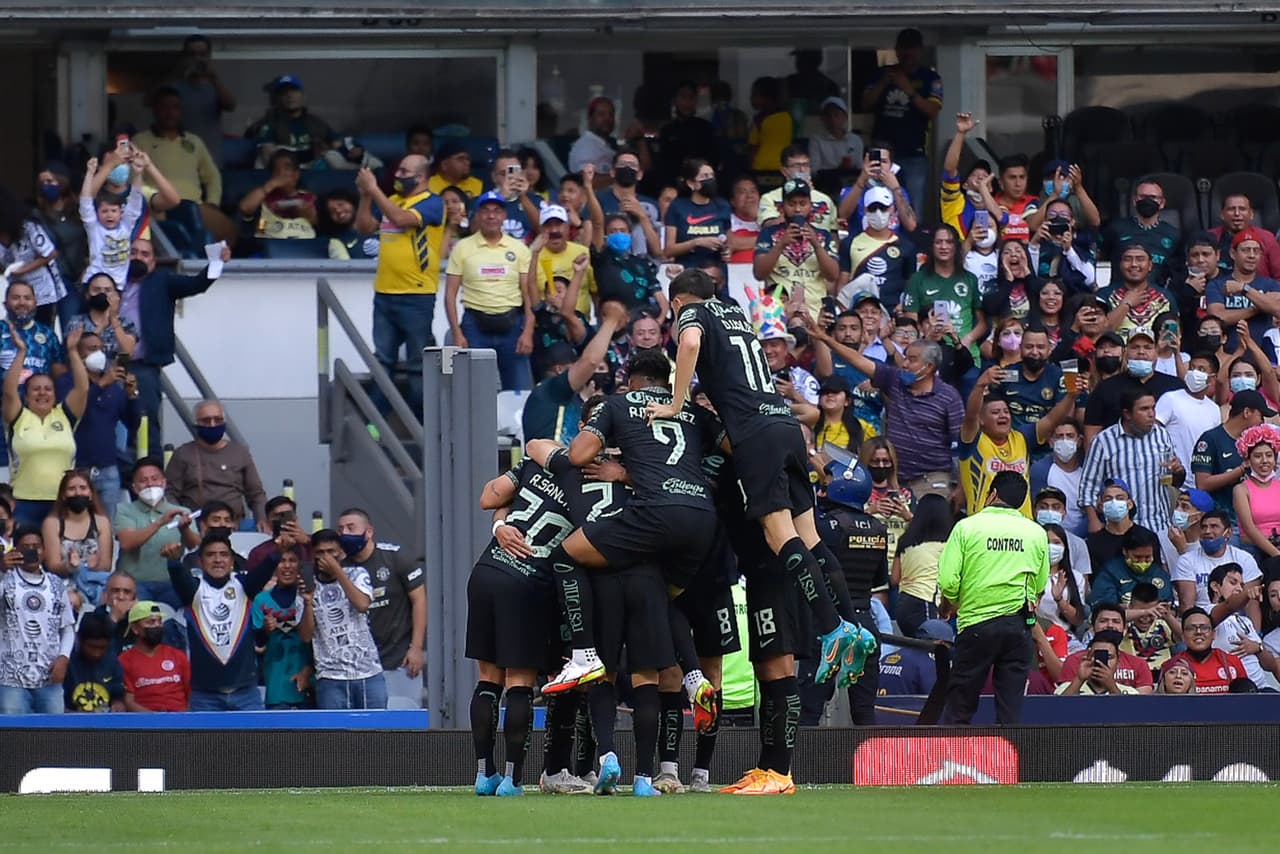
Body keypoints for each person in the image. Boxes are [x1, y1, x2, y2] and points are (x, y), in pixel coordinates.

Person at [649, 271, 870, 693]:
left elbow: (691, 343)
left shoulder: (691, 312)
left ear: (678, 303)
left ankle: (830, 630)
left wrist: (676, 404)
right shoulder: (736, 318)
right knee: (810, 537)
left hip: (755, 437)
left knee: (777, 533)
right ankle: (852, 625)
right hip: (785, 424)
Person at [937, 471, 1049, 724]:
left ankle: (954, 761)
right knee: (1010, 712)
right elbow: (1040, 584)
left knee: (960, 708)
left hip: (977, 624)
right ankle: (1009, 761)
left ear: (993, 494)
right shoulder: (1036, 532)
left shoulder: (966, 527)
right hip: (1018, 627)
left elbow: (947, 581)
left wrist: (953, 602)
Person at [809, 319, 964, 499]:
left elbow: (960, 445)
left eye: (912, 360)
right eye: (905, 357)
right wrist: (824, 338)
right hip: (893, 481)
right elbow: (858, 360)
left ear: (929, 367)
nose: (904, 364)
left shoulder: (949, 397)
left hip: (932, 481)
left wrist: (960, 486)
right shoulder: (895, 379)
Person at [352, 155, 443, 416]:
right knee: (381, 362)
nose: (398, 174)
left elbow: (403, 220)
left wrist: (374, 189)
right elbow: (365, 227)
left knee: (418, 366)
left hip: (417, 296)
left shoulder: (433, 203)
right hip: (384, 293)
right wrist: (366, 197)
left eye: (405, 171)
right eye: (398, 169)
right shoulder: (392, 200)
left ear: (421, 177)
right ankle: (376, 422)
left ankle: (423, 425)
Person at [119, 238, 228, 450]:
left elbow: (197, 284)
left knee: (145, 421)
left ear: (153, 262)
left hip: (142, 365)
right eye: (133, 252)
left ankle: (148, 476)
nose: (138, 257)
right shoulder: (112, 280)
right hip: (109, 364)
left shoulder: (162, 280)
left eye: (144, 254)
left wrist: (217, 262)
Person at [166, 529, 278, 711]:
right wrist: (173, 561)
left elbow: (265, 571)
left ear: (232, 561)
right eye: (211, 555)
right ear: (201, 562)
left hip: (246, 693)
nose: (218, 560)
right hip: (205, 696)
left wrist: (278, 552)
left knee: (257, 741)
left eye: (224, 555)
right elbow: (179, 576)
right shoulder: (194, 589)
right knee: (208, 741)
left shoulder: (243, 585)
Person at [958, 364, 1083, 517]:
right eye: (996, 412)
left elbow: (1052, 419)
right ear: (981, 419)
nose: (1003, 416)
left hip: (1022, 526)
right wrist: (980, 385)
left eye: (1006, 411)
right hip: (984, 525)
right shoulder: (973, 440)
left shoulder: (1021, 437)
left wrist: (1071, 396)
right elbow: (971, 416)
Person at [334, 509, 424, 709]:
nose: (344, 534)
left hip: (399, 660)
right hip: (357, 666)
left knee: (402, 723)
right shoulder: (340, 567)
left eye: (351, 528)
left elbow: (419, 600)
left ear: (369, 532)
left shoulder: (394, 557)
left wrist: (416, 648)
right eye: (340, 529)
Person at [444, 191, 535, 391]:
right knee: (475, 389)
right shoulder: (462, 248)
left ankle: (514, 425)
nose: (491, 216)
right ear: (477, 215)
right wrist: (458, 334)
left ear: (504, 216)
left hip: (512, 325)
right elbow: (450, 295)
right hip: (474, 326)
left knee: (519, 389)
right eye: (485, 211)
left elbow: (529, 294)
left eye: (496, 211)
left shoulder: (519, 248)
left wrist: (528, 332)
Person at [4, 326, 88, 528]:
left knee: (59, 559)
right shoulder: (18, 416)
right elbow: (9, 391)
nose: (42, 393)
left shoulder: (64, 415)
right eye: (36, 389)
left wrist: (72, 352)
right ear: (26, 395)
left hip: (61, 503)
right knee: (24, 557)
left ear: (55, 394)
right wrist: (21, 352)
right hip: (23, 504)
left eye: (47, 388)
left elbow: (83, 388)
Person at [130, 86, 224, 249]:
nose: (170, 112)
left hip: (197, 210)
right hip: (160, 212)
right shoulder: (140, 141)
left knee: (228, 233)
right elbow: (134, 180)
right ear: (155, 110)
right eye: (164, 107)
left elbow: (212, 177)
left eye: (175, 108)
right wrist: (156, 201)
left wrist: (212, 203)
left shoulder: (194, 141)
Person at [861, 28, 943, 212]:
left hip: (914, 152)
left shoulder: (930, 78)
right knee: (877, 202)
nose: (908, 53)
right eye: (904, 48)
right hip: (881, 153)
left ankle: (912, 241)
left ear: (920, 50)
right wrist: (883, 83)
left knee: (914, 206)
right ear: (897, 50)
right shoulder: (882, 73)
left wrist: (908, 89)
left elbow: (933, 111)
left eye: (912, 48)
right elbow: (865, 105)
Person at [1079, 388, 1183, 533]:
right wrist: (1093, 521)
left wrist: (1178, 470)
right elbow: (1088, 487)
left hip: (1159, 526)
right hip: (1120, 528)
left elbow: (1175, 481)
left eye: (1153, 408)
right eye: (1144, 409)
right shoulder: (1104, 441)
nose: (1151, 414)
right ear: (1127, 413)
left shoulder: (1162, 435)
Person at [522, 303, 627, 444]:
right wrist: (611, 320)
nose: (586, 373)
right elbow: (590, 361)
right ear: (559, 370)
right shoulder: (552, 389)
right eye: (574, 366)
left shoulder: (557, 397)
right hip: (549, 465)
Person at [0, 526, 75, 714]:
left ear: (44, 549)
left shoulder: (56, 583)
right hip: (10, 678)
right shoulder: (5, 580)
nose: (33, 551)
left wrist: (64, 658)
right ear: (14, 549)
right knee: (14, 735)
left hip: (49, 676)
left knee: (54, 735)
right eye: (26, 546)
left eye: (37, 546)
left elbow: (67, 628)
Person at [163, 399, 268, 529]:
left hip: (234, 525)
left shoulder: (240, 453)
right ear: (196, 423)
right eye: (206, 421)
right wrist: (182, 518)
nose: (212, 425)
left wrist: (262, 519)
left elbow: (256, 494)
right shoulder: (182, 454)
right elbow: (170, 493)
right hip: (195, 528)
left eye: (217, 420)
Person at [114, 457, 201, 609]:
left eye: (155, 479)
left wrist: (185, 529)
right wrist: (160, 522)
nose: (150, 484)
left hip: (171, 583)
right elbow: (127, 543)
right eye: (143, 480)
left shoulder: (182, 512)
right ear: (134, 488)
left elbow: (196, 547)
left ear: (164, 483)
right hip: (134, 584)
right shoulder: (124, 510)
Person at [753, 178, 839, 318]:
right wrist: (780, 244)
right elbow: (759, 273)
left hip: (816, 314)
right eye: (791, 204)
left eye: (803, 204)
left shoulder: (824, 235)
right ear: (782, 206)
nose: (797, 209)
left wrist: (817, 245)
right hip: (777, 315)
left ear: (810, 206)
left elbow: (833, 275)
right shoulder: (768, 234)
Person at [901, 224, 986, 359]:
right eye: (938, 242)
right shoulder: (917, 279)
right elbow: (911, 321)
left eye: (949, 242)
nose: (944, 246)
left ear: (956, 246)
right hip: (930, 352)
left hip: (966, 353)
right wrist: (928, 336)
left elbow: (983, 322)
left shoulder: (970, 279)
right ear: (931, 246)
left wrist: (968, 340)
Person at [836, 186, 916, 312]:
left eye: (883, 208)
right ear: (865, 210)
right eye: (873, 208)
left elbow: (911, 286)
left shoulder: (906, 246)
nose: (878, 213)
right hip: (859, 314)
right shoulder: (849, 243)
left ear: (892, 209)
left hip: (894, 313)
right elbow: (842, 285)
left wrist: (903, 309)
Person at [250, 548, 311, 709]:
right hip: (277, 683)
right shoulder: (261, 600)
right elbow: (258, 644)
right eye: (282, 561)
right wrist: (265, 630)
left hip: (308, 681)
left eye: (292, 560)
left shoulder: (309, 597)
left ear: (299, 565)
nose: (287, 566)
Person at [42, 470, 113, 607]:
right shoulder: (52, 523)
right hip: (65, 583)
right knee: (71, 600)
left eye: (83, 488)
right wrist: (70, 566)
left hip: (95, 581)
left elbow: (106, 565)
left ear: (91, 494)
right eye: (71, 489)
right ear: (63, 495)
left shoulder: (101, 521)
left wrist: (95, 565)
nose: (78, 493)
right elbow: (52, 565)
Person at [1173, 509, 1263, 614]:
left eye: (1214, 526)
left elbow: (1252, 604)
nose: (1207, 531)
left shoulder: (1244, 559)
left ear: (1228, 533)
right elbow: (1186, 605)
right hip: (1202, 622)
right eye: (1204, 527)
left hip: (1239, 623)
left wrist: (1255, 630)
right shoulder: (1187, 560)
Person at [1207, 563, 1280, 690]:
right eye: (1233, 582)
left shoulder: (1245, 621)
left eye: (1241, 585)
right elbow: (1229, 605)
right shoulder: (1205, 613)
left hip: (1263, 687)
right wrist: (1247, 594)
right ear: (1215, 586)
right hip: (1236, 689)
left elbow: (1271, 666)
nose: (1239, 589)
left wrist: (1258, 648)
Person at [1056, 602, 1155, 693]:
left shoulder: (1139, 664)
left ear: (1125, 629)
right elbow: (1062, 706)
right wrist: (1079, 679)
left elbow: (1140, 708)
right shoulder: (1074, 661)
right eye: (1103, 621)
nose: (1110, 625)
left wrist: (1111, 686)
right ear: (1092, 628)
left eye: (1116, 621)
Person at [78, 155, 145, 287]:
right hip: (95, 284)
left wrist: (137, 174)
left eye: (114, 211)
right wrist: (90, 173)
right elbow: (85, 202)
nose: (109, 215)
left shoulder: (126, 226)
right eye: (104, 211)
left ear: (121, 213)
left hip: (118, 286)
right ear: (97, 214)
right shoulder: (94, 229)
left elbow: (136, 200)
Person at [1101, 178, 1183, 285]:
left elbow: (1177, 271)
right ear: (1135, 201)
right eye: (1143, 197)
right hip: (1119, 293)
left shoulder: (1174, 235)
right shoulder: (1115, 229)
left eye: (1153, 197)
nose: (1147, 201)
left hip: (1158, 296)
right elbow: (1102, 255)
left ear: (1162, 203)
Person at [892, 494, 952, 638]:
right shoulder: (946, 546)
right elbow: (950, 581)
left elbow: (895, 579)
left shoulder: (905, 541)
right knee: (930, 649)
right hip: (925, 602)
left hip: (902, 605)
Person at [171, 35, 235, 168]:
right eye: (192, 54)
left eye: (202, 54)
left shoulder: (215, 86)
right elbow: (149, 101)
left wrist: (214, 79)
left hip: (211, 159)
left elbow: (231, 105)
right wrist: (177, 72)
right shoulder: (175, 87)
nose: (197, 59)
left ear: (209, 56)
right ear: (185, 57)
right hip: (180, 160)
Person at [249, 75, 337, 166]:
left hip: (313, 171)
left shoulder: (316, 122)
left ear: (303, 96)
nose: (289, 95)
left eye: (294, 90)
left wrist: (326, 148)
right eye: (284, 92)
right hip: (283, 171)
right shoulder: (269, 123)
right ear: (277, 98)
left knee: (333, 156)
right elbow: (268, 154)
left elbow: (337, 143)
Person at [118, 599, 191, 711]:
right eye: (150, 622)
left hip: (180, 721)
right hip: (146, 723)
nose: (157, 626)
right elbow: (128, 701)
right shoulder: (124, 660)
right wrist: (155, 721)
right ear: (135, 628)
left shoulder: (178, 656)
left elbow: (190, 694)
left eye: (159, 621)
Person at [30, 162, 88, 301]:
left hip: (81, 277)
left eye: (50, 181)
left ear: (62, 181)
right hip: (54, 280)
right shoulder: (37, 215)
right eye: (42, 182)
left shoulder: (79, 210)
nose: (46, 186)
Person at [1156, 352, 1222, 473]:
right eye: (1192, 367)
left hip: (1201, 480)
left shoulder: (1214, 409)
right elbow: (1154, 432)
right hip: (1174, 478)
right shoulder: (1170, 398)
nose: (1194, 372)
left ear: (1212, 378)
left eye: (1201, 369)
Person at [665, 158, 731, 275]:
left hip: (717, 275)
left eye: (712, 175)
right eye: (705, 176)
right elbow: (668, 251)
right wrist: (696, 242)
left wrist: (727, 251)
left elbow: (729, 241)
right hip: (688, 274)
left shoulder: (723, 206)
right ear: (691, 184)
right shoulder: (677, 207)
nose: (710, 179)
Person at [594, 149, 663, 261]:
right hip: (609, 264)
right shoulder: (599, 200)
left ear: (640, 174)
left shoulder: (651, 205)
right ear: (612, 172)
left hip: (644, 267)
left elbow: (659, 251)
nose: (627, 168)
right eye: (622, 165)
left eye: (632, 165)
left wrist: (642, 216)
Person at [237, 149, 317, 241]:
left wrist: (306, 214)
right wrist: (270, 185)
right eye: (276, 171)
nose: (281, 174)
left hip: (303, 245)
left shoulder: (308, 197)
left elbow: (316, 223)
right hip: (270, 244)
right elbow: (245, 208)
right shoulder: (263, 197)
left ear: (296, 174)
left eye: (286, 169)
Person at [757, 146, 838, 231]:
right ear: (784, 171)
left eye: (806, 165)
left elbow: (833, 233)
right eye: (796, 166)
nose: (802, 170)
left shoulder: (825, 199)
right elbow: (768, 226)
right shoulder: (769, 198)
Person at [1088, 525, 1173, 607]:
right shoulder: (1109, 573)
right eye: (1137, 557)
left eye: (1147, 557)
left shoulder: (1159, 574)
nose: (1142, 561)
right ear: (1125, 551)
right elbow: (1103, 608)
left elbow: (1170, 607)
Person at [1167, 608, 1247, 694]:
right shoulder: (1171, 666)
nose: (1198, 632)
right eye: (1191, 628)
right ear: (1182, 636)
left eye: (1204, 628)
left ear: (1213, 634)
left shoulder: (1231, 661)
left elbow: (1245, 698)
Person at [1231, 424, 1280, 558]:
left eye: (1269, 455)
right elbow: (1249, 528)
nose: (1264, 461)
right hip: (1254, 550)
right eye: (1258, 456)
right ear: (1247, 460)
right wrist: (1276, 554)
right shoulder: (1241, 490)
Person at [65, 274, 137, 362]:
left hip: (117, 373)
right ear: (87, 295)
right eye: (96, 290)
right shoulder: (76, 322)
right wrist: (101, 326)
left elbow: (128, 352)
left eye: (108, 290)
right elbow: (78, 352)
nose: (102, 293)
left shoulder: (126, 323)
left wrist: (113, 319)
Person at [63, 611, 125, 712]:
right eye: (92, 647)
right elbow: (58, 705)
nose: (97, 653)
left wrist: (117, 704)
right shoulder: (66, 663)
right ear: (79, 640)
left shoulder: (113, 662)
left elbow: (117, 695)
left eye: (102, 648)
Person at [1211, 194, 1280, 278]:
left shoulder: (1267, 238)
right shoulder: (1210, 237)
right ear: (1222, 214)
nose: (1237, 213)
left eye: (1242, 209)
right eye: (1231, 209)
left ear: (1251, 214)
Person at [1054, 631, 1137, 695]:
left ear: (1118, 662)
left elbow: (1131, 715)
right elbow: (1057, 713)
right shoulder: (1066, 687)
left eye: (1109, 657)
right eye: (1095, 656)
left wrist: (1112, 688)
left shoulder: (1131, 692)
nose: (1101, 662)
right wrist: (1079, 679)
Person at [747, 77, 793, 174]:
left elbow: (752, 148)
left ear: (767, 98)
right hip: (783, 167)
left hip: (761, 167)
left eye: (754, 94)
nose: (751, 98)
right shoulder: (788, 117)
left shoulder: (759, 119)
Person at [809, 96, 864, 175]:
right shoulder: (816, 140)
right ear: (822, 118)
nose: (833, 120)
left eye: (837, 115)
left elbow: (860, 167)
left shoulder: (855, 140)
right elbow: (814, 170)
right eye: (828, 116)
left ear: (845, 117)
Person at [568, 96, 617, 179]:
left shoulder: (608, 143)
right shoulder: (585, 146)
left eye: (611, 114)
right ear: (590, 118)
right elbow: (587, 181)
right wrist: (621, 177)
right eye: (601, 114)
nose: (607, 119)